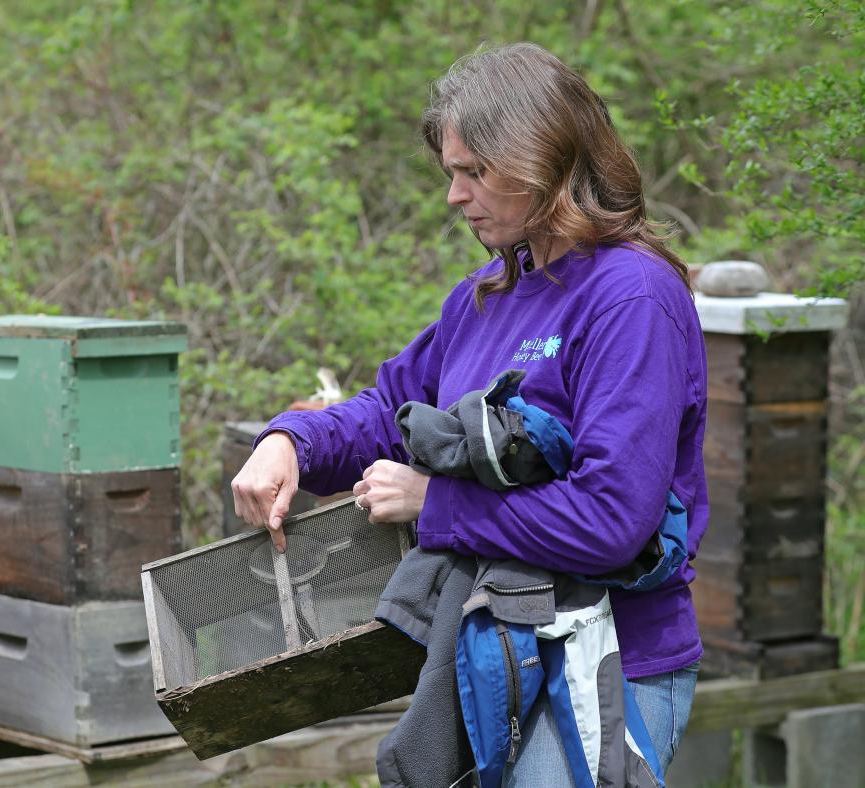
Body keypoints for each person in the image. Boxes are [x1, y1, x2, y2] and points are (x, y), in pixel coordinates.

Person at [232, 42, 707, 786]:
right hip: (496, 650)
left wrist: (437, 502)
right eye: (453, 171)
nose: (456, 195)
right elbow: (394, 410)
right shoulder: (489, 293)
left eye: (475, 172)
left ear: (544, 160)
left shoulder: (630, 298)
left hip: (605, 660)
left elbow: (615, 519)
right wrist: (290, 440)